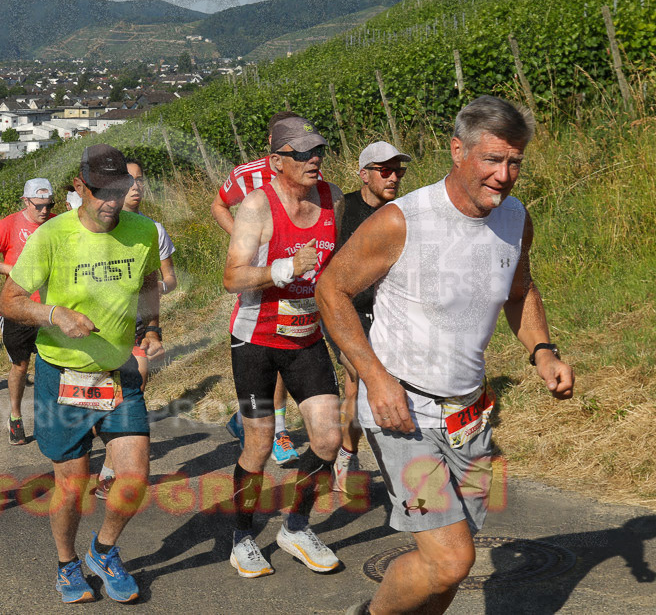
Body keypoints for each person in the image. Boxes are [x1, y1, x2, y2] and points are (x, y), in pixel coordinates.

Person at [315, 96, 575, 615]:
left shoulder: (515, 218)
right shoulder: (402, 221)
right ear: (458, 151)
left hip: (472, 417)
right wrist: (374, 377)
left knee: (452, 564)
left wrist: (542, 351)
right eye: (493, 159)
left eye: (515, 161)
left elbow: (520, 290)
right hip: (403, 412)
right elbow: (331, 289)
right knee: (450, 560)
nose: (505, 175)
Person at [0, 144, 161, 604]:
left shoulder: (143, 230)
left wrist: (150, 326)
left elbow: (149, 280)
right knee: (73, 488)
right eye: (100, 192)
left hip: (118, 371)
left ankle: (104, 551)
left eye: (121, 190)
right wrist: (54, 313)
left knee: (133, 479)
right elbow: (8, 302)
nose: (111, 201)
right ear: (79, 187)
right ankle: (67, 563)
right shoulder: (51, 236)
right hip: (64, 376)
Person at [223, 116, 343, 578]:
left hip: (307, 336)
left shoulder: (331, 199)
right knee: (256, 448)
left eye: (319, 152)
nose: (315, 160)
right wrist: (283, 268)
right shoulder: (257, 206)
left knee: (329, 438)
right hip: (255, 339)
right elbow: (232, 277)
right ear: (276, 161)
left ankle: (294, 526)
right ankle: (241, 537)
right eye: (302, 154)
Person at [213, 110, 306, 465]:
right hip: (257, 277)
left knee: (284, 346)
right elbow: (219, 204)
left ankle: (263, 425)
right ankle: (268, 429)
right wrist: (243, 243)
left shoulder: (310, 170)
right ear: (271, 143)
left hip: (295, 275)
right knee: (262, 347)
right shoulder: (246, 174)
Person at [323, 141, 412, 495]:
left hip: (388, 308)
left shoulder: (402, 211)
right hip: (345, 308)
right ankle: (348, 455)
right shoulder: (341, 209)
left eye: (399, 171)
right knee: (360, 372)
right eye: (385, 171)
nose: (393, 178)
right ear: (363, 174)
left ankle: (393, 453)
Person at [95, 157, 176, 500]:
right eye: (129, 180)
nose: (136, 186)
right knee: (101, 401)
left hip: (138, 325)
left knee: (132, 387)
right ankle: (109, 457)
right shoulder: (93, 228)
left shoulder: (152, 229)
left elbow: (168, 277)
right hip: (97, 329)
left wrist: (155, 289)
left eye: (140, 180)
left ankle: (112, 469)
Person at [0, 178, 57, 445]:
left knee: (55, 364)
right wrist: (10, 270)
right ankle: (15, 416)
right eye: (39, 206)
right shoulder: (9, 225)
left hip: (51, 309)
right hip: (18, 308)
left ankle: (55, 420)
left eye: (49, 205)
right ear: (25, 201)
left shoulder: (58, 224)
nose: (44, 211)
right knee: (20, 366)